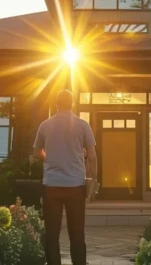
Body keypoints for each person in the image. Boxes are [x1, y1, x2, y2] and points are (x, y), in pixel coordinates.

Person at [33, 90, 97, 265]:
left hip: (52, 185)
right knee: (77, 233)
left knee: (51, 234)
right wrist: (94, 179)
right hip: (75, 185)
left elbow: (36, 152)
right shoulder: (83, 125)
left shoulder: (45, 125)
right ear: (73, 104)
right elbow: (91, 156)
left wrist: (50, 158)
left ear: (56, 104)